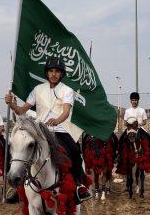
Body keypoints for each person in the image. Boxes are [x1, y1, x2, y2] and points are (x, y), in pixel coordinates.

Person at [5, 57, 91, 203]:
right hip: (40, 132)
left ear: (61, 74)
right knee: (19, 151)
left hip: (60, 130)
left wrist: (57, 120)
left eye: (57, 71)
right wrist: (13, 105)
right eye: (51, 71)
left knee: (75, 152)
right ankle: (17, 187)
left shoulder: (67, 90)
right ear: (47, 73)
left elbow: (66, 111)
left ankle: (78, 186)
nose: (53, 74)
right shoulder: (38, 89)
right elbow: (22, 110)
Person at [122, 92, 150, 160]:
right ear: (130, 101)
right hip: (129, 129)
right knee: (121, 138)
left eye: (135, 100)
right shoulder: (127, 111)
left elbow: (145, 122)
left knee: (149, 138)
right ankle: (119, 154)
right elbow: (125, 122)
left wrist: (139, 124)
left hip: (139, 128)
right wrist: (129, 125)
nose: (134, 102)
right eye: (133, 100)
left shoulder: (142, 110)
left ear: (138, 101)